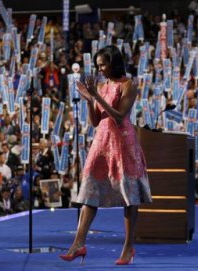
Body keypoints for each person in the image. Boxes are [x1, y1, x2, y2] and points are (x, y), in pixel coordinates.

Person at [59, 45, 152, 265]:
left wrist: (97, 97)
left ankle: (128, 249)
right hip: (101, 142)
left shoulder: (128, 85)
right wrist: (90, 101)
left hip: (123, 142)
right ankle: (78, 244)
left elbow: (120, 116)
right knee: (89, 192)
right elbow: (95, 121)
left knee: (130, 198)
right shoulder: (101, 85)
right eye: (98, 65)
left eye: (103, 64)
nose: (100, 69)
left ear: (114, 63)